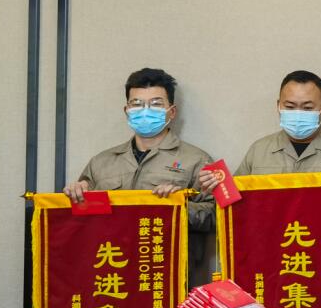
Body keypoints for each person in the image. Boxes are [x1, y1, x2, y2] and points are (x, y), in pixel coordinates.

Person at [65, 67, 214, 233]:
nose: (145, 111)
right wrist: (74, 195)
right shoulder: (101, 162)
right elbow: (81, 219)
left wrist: (179, 206)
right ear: (127, 111)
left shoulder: (197, 160)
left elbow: (218, 217)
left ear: (172, 112)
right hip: (113, 249)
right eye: (137, 104)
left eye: (156, 104)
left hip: (164, 248)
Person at [200, 71, 321, 184]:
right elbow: (236, 201)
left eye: (307, 108)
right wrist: (216, 186)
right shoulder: (259, 151)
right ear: (278, 106)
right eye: (290, 106)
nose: (298, 114)